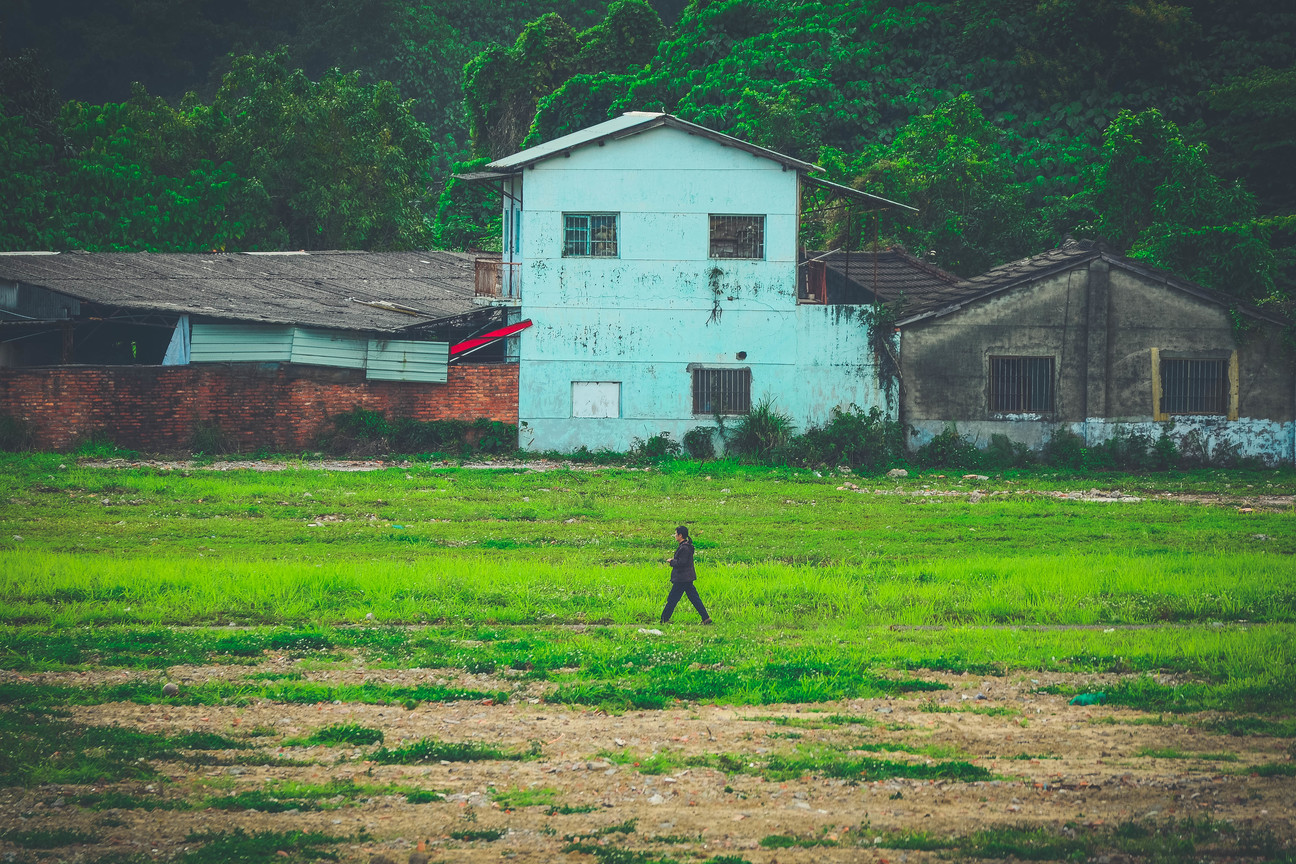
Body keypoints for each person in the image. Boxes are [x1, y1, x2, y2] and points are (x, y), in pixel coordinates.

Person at [661, 525, 713, 625]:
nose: (675, 536)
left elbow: (682, 563)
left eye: (676, 534)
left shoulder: (684, 548)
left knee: (672, 599)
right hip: (686, 578)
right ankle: (706, 618)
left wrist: (672, 561)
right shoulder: (686, 546)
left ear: (680, 535)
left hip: (682, 579)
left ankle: (664, 620)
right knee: (694, 599)